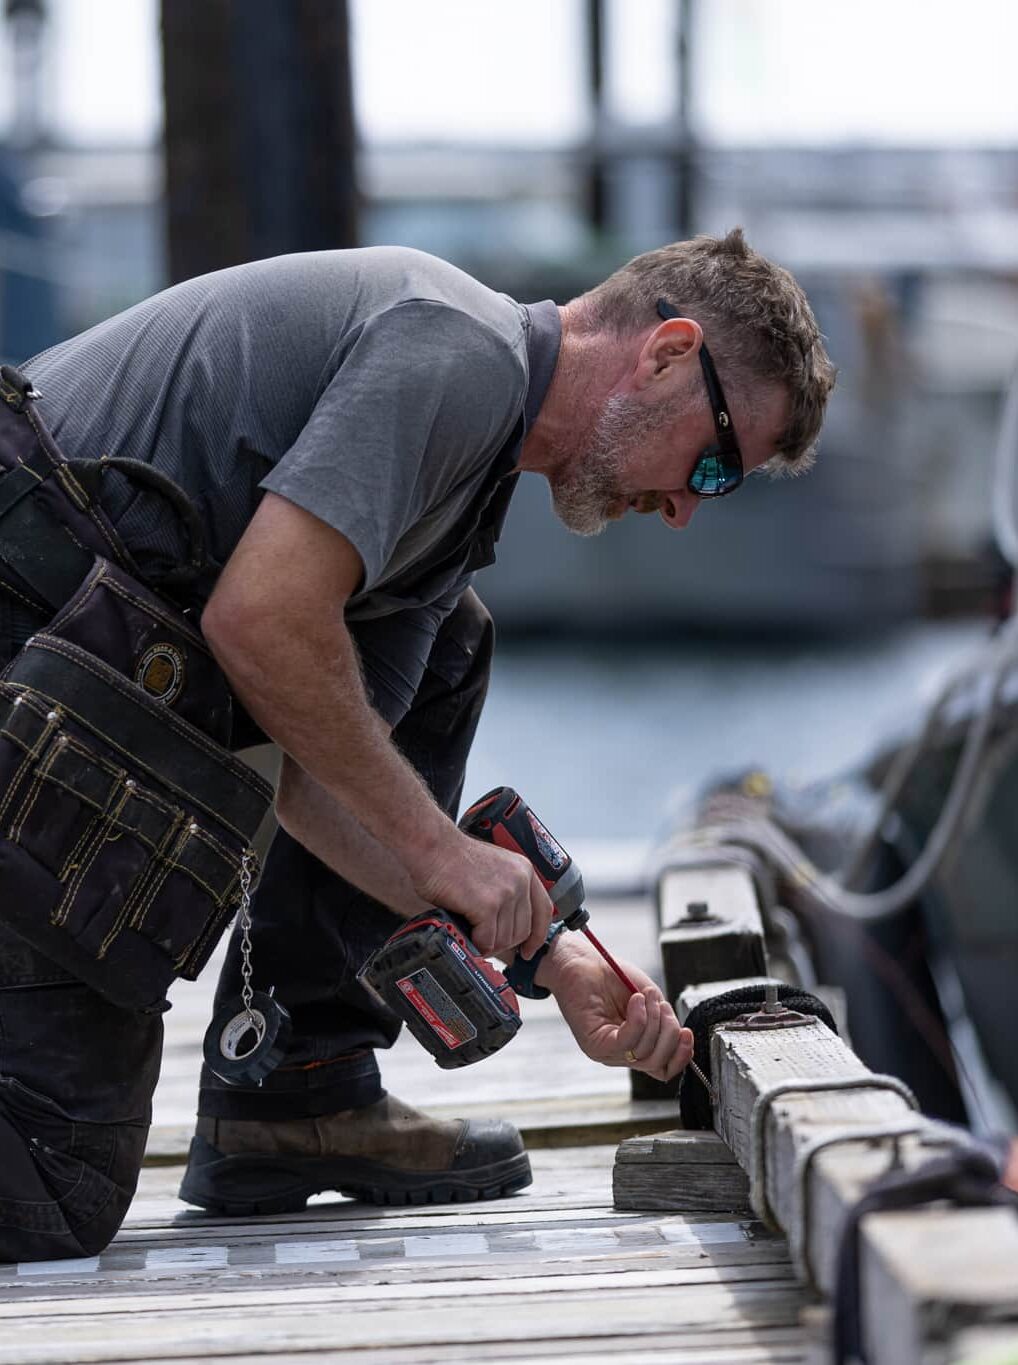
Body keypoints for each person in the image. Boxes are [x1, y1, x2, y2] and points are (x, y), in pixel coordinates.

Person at [0, 228, 835, 1261]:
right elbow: (260, 624)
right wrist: (449, 859)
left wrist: (551, 955)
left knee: (440, 653)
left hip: (63, 685)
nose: (681, 511)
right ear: (666, 353)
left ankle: (299, 1091)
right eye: (713, 467)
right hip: (26, 654)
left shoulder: (456, 506)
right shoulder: (457, 349)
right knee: (49, 1182)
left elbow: (318, 778)